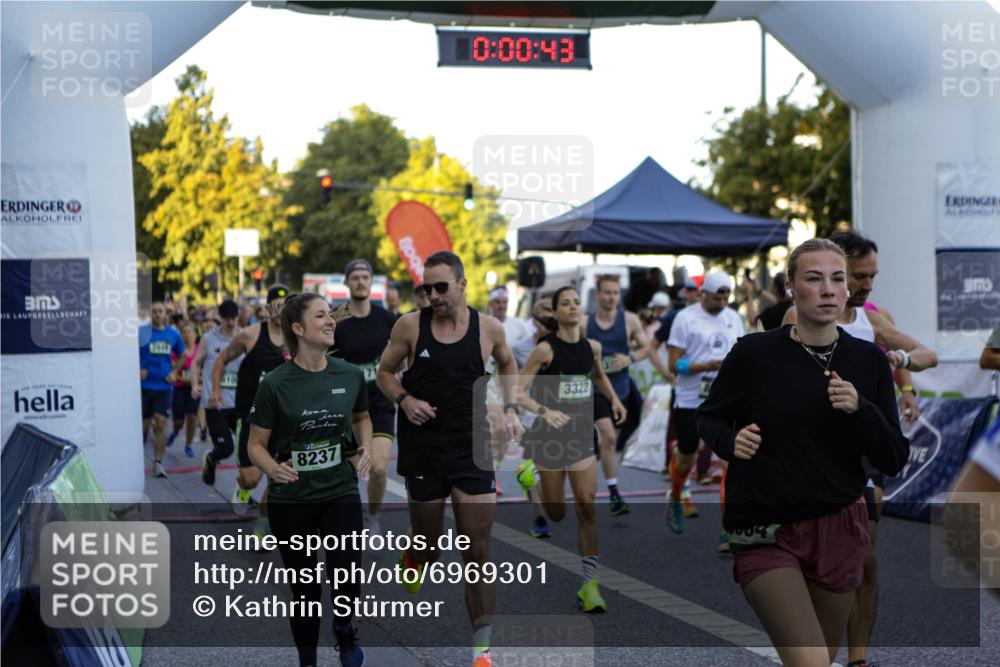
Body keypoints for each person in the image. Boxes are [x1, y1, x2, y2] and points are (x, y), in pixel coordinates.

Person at [697, 238, 909, 667]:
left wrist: (861, 409)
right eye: (814, 279)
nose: (828, 289)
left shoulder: (868, 361)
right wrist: (729, 442)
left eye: (837, 279)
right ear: (791, 286)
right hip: (765, 525)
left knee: (820, 658)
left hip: (839, 525)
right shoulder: (754, 353)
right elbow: (710, 417)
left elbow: (893, 456)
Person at [782, 231, 938, 667]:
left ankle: (858, 658)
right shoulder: (797, 316)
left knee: (864, 558)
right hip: (812, 451)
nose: (867, 285)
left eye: (873, 276)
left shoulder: (874, 318)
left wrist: (901, 370)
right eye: (859, 276)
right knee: (814, 555)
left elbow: (927, 354)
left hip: (865, 448)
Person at [376, 251, 523, 667]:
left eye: (441, 287)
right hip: (424, 448)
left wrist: (512, 406)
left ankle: (482, 651)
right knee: (430, 546)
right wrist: (405, 400)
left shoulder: (489, 328)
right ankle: (414, 555)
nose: (433, 295)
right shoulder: (409, 326)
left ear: (462, 284)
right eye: (427, 288)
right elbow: (384, 373)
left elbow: (508, 363)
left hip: (471, 447)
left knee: (477, 551)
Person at [247, 292, 372, 667]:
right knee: (305, 590)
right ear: (298, 329)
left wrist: (364, 447)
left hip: (339, 490)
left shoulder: (350, 375)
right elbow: (255, 445)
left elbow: (362, 417)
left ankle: (345, 629)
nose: (331, 320)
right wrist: (272, 469)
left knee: (347, 574)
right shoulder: (275, 384)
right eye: (320, 316)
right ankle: (307, 661)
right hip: (292, 499)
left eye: (330, 314)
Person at [517, 286, 626, 612]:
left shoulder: (592, 347)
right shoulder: (545, 350)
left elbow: (598, 376)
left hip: (580, 436)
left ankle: (590, 584)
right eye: (566, 303)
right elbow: (519, 392)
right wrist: (544, 411)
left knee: (587, 505)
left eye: (577, 302)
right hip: (549, 439)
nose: (574, 307)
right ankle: (530, 472)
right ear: (555, 312)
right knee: (556, 512)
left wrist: (614, 399)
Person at [665, 271, 745, 534]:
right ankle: (676, 496)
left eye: (726, 296)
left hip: (725, 399)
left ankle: (727, 529)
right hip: (691, 399)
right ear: (704, 294)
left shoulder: (733, 318)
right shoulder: (685, 318)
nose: (722, 302)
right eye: (716, 297)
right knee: (686, 460)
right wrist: (704, 366)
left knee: (729, 461)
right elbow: (673, 364)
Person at [212, 285, 288, 540]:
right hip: (251, 417)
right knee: (251, 478)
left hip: (282, 419)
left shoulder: (297, 337)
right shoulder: (250, 335)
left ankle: (262, 527)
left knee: (277, 477)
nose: (282, 310)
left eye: (287, 305)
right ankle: (243, 488)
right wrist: (216, 390)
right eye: (278, 305)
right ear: (267, 308)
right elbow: (221, 360)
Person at [329, 259, 398, 539]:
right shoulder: (335, 318)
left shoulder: (387, 319)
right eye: (355, 277)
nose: (360, 281)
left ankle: (373, 518)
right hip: (345, 406)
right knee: (349, 471)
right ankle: (343, 520)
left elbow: (405, 350)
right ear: (347, 282)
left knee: (378, 469)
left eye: (365, 277)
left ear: (371, 282)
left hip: (379, 403)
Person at [585, 274, 649, 515]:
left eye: (615, 292)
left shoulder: (629, 320)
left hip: (621, 390)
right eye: (607, 292)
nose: (612, 297)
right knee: (609, 437)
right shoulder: (585, 323)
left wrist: (629, 358)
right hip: (595, 389)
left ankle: (570, 468)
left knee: (608, 445)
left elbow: (646, 347)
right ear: (598, 294)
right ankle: (614, 494)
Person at [485, 286, 532, 494]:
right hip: (487, 383)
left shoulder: (519, 326)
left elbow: (530, 352)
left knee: (502, 430)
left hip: (509, 384)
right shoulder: (482, 323)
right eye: (497, 302)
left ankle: (493, 470)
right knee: (497, 426)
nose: (501, 306)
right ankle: (488, 473)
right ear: (490, 304)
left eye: (504, 302)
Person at [192, 299, 243, 487]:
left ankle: (243, 491)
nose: (231, 322)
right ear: (220, 318)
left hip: (240, 403)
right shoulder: (208, 338)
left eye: (234, 318)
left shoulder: (244, 337)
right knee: (226, 448)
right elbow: (196, 362)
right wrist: (194, 384)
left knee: (247, 450)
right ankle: (211, 458)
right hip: (215, 403)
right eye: (227, 318)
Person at [140, 301, 186, 478]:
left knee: (161, 423)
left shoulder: (173, 334)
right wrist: (137, 369)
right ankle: (137, 460)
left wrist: (174, 372)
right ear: (150, 313)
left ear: (165, 314)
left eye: (160, 311)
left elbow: (182, 355)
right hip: (144, 386)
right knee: (143, 429)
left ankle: (158, 462)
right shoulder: (141, 332)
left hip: (164, 386)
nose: (158, 314)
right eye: (154, 311)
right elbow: (127, 353)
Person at [168, 321, 201, 457]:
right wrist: (185, 379)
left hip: (194, 388)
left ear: (195, 334)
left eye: (189, 331)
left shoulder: (200, 350)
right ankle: (175, 432)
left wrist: (197, 380)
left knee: (192, 417)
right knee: (178, 421)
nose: (187, 335)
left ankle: (188, 445)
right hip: (179, 388)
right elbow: (172, 372)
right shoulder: (176, 351)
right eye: (184, 332)